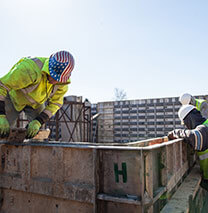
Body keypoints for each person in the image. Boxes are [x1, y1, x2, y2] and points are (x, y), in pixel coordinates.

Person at [0, 50, 75, 139]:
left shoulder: (62, 84)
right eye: (53, 76)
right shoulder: (29, 69)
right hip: (13, 98)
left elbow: (55, 104)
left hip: (36, 104)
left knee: (38, 132)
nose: (54, 81)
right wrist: (1, 114)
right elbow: (2, 86)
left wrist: (38, 121)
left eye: (58, 79)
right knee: (3, 130)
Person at [168, 104, 208, 190]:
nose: (186, 127)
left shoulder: (204, 128)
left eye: (186, 124)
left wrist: (175, 132)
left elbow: (194, 137)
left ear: (189, 119)